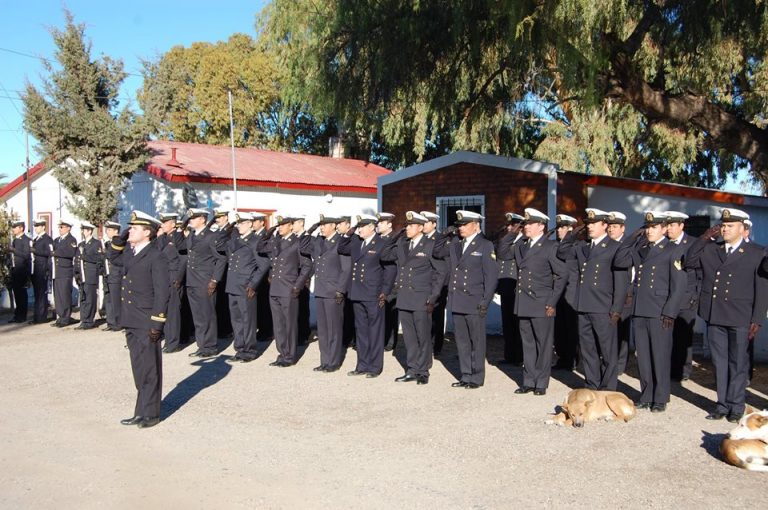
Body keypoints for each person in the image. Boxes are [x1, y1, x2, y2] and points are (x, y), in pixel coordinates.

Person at [685, 208, 768, 422]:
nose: (725, 228)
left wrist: (757, 319)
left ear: (742, 228)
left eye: (730, 225)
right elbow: (689, 261)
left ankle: (736, 406)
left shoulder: (756, 252)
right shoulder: (712, 249)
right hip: (715, 315)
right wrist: (704, 238)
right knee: (719, 362)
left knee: (738, 363)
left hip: (741, 316)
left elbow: (762, 288)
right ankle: (722, 405)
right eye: (723, 225)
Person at [615, 212, 686, 413]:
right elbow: (621, 259)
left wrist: (670, 312)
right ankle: (646, 394)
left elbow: (678, 286)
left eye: (653, 227)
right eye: (647, 227)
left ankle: (661, 396)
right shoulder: (641, 248)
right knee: (643, 356)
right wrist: (633, 236)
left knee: (660, 355)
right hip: (640, 309)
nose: (649, 231)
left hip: (659, 311)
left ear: (664, 229)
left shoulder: (674, 249)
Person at [557, 208, 629, 391]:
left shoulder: (616, 247)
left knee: (607, 351)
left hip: (604, 307)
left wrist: (617, 309)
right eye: (588, 224)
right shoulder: (583, 247)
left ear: (605, 225)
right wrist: (574, 232)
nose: (589, 227)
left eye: (593, 223)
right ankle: (591, 383)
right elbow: (562, 252)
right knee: (588, 349)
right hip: (584, 305)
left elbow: (621, 282)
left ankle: (608, 388)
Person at [434, 210, 499, 389]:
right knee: (461, 341)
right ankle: (465, 374)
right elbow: (437, 251)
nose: (461, 228)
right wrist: (446, 232)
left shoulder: (485, 245)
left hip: (474, 300)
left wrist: (486, 301)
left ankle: (477, 377)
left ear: (476, 225)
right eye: (459, 225)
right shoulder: (456, 244)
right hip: (458, 300)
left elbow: (491, 277)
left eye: (464, 224)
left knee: (476, 342)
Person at [118, 211, 170, 429]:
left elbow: (162, 292)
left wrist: (157, 322)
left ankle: (151, 413)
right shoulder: (132, 253)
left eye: (135, 228)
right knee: (138, 368)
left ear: (147, 232)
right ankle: (140, 411)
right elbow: (113, 257)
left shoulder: (156, 256)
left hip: (147, 321)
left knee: (149, 368)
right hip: (131, 319)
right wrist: (122, 236)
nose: (130, 230)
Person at [381, 211, 446, 385]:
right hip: (404, 297)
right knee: (409, 337)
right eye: (407, 225)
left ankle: (423, 371)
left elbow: (440, 273)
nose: (407, 228)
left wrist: (433, 296)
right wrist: (395, 236)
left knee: (422, 335)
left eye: (410, 226)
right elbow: (385, 254)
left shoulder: (430, 245)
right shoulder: (403, 243)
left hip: (421, 297)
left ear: (420, 227)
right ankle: (411, 369)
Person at [513, 209, 567, 396]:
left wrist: (552, 301)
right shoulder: (522, 246)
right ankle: (528, 380)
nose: (526, 226)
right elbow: (504, 249)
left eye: (530, 224)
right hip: (524, 301)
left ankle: (541, 382)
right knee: (527, 343)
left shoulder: (550, 247)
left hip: (542, 302)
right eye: (525, 224)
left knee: (543, 344)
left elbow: (562, 275)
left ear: (541, 226)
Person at [337, 214, 397, 377]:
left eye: (362, 226)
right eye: (358, 226)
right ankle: (362, 365)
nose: (359, 229)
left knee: (375, 331)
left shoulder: (382, 244)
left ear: (372, 227)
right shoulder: (357, 243)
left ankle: (375, 367)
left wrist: (384, 292)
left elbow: (390, 270)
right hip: (357, 293)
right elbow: (341, 248)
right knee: (361, 331)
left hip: (373, 294)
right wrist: (348, 233)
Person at [257, 215, 313, 367]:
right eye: (278, 225)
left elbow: (307, 266)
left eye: (282, 225)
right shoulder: (276, 241)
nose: (280, 227)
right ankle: (282, 353)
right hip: (275, 288)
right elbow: (260, 248)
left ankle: (290, 356)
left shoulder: (298, 242)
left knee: (289, 324)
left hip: (289, 288)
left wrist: (298, 285)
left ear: (291, 226)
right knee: (278, 324)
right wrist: (269, 232)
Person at [300, 215, 351, 372]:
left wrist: (340, 290)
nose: (322, 228)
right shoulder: (319, 242)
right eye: (320, 225)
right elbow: (302, 246)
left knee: (333, 328)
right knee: (322, 329)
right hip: (321, 290)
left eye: (324, 225)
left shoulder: (341, 242)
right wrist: (311, 229)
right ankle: (324, 360)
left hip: (334, 291)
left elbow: (346, 268)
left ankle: (333, 362)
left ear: (334, 226)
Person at [225, 212, 271, 363]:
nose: (239, 226)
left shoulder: (255, 241)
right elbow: (220, 245)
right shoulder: (236, 240)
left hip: (245, 287)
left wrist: (253, 284)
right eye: (238, 224)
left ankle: (249, 350)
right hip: (232, 285)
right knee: (236, 320)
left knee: (248, 320)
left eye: (242, 223)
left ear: (250, 224)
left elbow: (263, 265)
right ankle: (239, 348)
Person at [183, 208, 227, 358]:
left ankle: (210, 346)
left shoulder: (211, 236)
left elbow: (221, 259)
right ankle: (202, 345)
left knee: (207, 314)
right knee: (198, 316)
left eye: (193, 218)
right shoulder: (192, 236)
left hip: (204, 281)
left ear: (202, 219)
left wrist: (215, 280)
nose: (190, 221)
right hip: (192, 280)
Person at [665, 211, 699, 381]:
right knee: (667, 336)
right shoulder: (663, 244)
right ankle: (669, 368)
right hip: (666, 297)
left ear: (681, 226)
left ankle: (683, 371)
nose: (668, 228)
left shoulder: (692, 243)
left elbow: (699, 272)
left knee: (683, 336)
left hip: (686, 298)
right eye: (667, 225)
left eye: (672, 225)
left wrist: (695, 296)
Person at [494, 212, 525, 365]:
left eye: (512, 225)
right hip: (506, 287)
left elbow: (504, 253)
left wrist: (512, 234)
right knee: (507, 324)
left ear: (519, 227)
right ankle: (509, 355)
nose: (508, 227)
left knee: (518, 325)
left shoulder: (523, 242)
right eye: (508, 225)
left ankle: (519, 356)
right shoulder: (507, 241)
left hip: (516, 287)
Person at [553, 214, 580, 370]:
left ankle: (572, 359)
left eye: (563, 227)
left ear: (570, 229)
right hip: (557, 292)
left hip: (571, 292)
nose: (559, 230)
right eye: (558, 227)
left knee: (571, 329)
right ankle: (562, 358)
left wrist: (570, 236)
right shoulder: (555, 245)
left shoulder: (577, 246)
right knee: (559, 329)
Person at [154, 213, 184, 351]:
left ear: (173, 224)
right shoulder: (163, 238)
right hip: (164, 277)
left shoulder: (178, 237)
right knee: (165, 309)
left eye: (165, 223)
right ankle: (167, 338)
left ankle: (173, 343)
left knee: (173, 312)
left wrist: (178, 277)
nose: (162, 225)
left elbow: (183, 259)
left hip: (173, 277)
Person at [420, 211, 448, 356]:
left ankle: (437, 345)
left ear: (434, 224)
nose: (423, 225)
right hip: (424, 283)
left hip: (439, 283)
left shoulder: (440, 238)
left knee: (437, 316)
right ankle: (425, 343)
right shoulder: (421, 239)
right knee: (424, 316)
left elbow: (444, 264)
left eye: (426, 222)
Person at [607, 211, 631, 374]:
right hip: (608, 294)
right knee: (609, 330)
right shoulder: (605, 245)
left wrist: (629, 292)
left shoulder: (628, 246)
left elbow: (633, 272)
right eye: (609, 226)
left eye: (615, 226)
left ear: (623, 228)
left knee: (622, 330)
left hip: (626, 294)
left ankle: (621, 364)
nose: (611, 230)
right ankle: (610, 360)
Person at [377, 212, 399, 352]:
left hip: (391, 281)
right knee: (380, 313)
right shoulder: (378, 239)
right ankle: (382, 339)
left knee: (391, 313)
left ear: (389, 224)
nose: (378, 225)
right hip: (378, 281)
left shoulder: (395, 239)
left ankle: (391, 341)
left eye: (381, 223)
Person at [74, 221, 103, 330]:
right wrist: (76, 273)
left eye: (85, 230)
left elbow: (98, 258)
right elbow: (77, 259)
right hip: (82, 275)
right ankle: (84, 319)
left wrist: (85, 257)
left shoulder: (96, 243)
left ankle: (89, 320)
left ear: (90, 231)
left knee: (90, 297)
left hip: (90, 274)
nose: (83, 232)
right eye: (82, 230)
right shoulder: (81, 244)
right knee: (83, 298)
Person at [51, 219, 78, 327]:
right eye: (59, 227)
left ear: (68, 228)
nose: (60, 229)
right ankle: (60, 316)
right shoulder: (57, 240)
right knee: (58, 296)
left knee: (65, 295)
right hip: (57, 270)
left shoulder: (71, 239)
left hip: (65, 270)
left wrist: (56, 252)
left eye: (62, 227)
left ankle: (66, 317)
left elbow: (70, 252)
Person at [251, 213, 273, 342]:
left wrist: (270, 275)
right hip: (255, 274)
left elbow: (269, 258)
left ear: (262, 223)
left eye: (255, 221)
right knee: (258, 304)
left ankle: (266, 331)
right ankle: (261, 329)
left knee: (264, 305)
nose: (253, 223)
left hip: (265, 276)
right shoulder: (254, 236)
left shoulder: (266, 236)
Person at [292, 216, 313, 345]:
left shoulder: (308, 238)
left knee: (303, 306)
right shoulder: (294, 238)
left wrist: (308, 276)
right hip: (293, 275)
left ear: (301, 224)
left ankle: (304, 334)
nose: (292, 226)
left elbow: (312, 261)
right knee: (295, 306)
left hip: (304, 276)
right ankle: (297, 332)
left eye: (293, 223)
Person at [7, 220, 31, 323]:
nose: (13, 229)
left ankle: (22, 315)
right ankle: (17, 315)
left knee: (21, 294)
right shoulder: (15, 240)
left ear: (21, 228)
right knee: (16, 293)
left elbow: (26, 255)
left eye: (15, 227)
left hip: (22, 270)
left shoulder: (25, 240)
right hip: (14, 269)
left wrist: (14, 250)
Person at [30, 219, 54, 324]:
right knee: (37, 294)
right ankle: (37, 316)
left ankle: (41, 317)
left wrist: (36, 251)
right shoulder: (36, 239)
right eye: (35, 226)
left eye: (38, 226)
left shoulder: (47, 239)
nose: (36, 228)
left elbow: (49, 253)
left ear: (43, 227)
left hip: (42, 268)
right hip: (36, 269)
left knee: (41, 294)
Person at [102, 221, 123, 331]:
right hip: (108, 274)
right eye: (107, 229)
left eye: (109, 230)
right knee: (109, 299)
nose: (107, 232)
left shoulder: (119, 242)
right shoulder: (107, 243)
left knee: (116, 300)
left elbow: (113, 256)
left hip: (116, 274)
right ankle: (111, 322)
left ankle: (118, 323)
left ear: (116, 231)